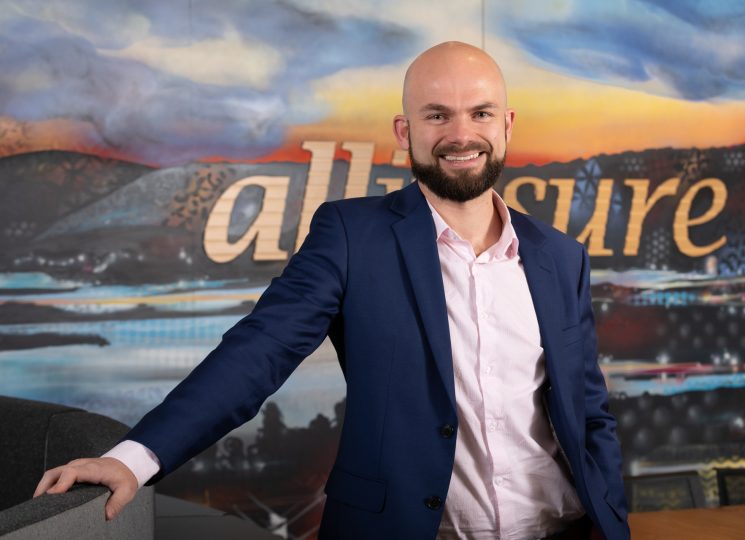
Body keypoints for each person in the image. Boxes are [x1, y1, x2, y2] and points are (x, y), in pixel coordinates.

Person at [35, 41, 629, 539]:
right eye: (436, 114)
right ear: (405, 131)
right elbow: (258, 352)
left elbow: (587, 409)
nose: (460, 133)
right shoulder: (352, 235)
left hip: (565, 527)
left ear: (506, 125)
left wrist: (613, 518)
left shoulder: (559, 255)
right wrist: (134, 460)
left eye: (479, 113)